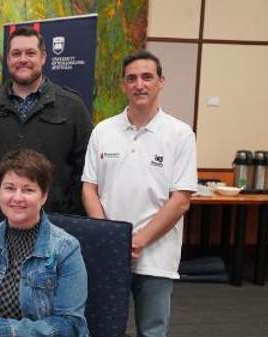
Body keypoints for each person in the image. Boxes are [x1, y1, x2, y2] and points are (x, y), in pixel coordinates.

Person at [81, 50, 197, 337]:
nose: (139, 84)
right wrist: (110, 238)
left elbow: (181, 200)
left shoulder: (180, 134)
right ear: (123, 85)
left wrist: (137, 242)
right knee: (103, 328)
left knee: (152, 331)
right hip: (109, 253)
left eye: (147, 77)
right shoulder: (103, 131)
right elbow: (89, 188)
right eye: (131, 78)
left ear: (161, 82)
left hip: (156, 256)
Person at [0, 149, 89, 337]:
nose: (17, 198)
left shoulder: (66, 248)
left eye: (28, 189)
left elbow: (69, 324)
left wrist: (3, 330)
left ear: (43, 196)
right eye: (10, 188)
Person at [0, 27, 93, 222]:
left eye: (30, 53)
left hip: (54, 225)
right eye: (16, 53)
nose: (23, 59)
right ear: (8, 59)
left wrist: (69, 214)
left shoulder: (72, 106)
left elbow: (86, 170)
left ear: (44, 57)